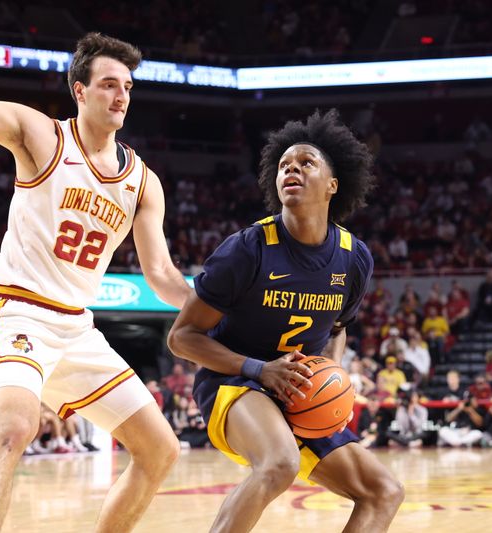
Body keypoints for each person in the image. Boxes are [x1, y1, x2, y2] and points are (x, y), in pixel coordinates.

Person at [0, 4, 191, 530]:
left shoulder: (143, 181)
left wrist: (216, 305)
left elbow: (164, 277)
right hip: (17, 312)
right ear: (79, 92)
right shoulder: (40, 135)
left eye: (126, 86)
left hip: (77, 327)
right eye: (107, 84)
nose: (120, 95)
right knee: (13, 429)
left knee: (161, 449)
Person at [167, 110, 403, 533]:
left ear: (333, 185)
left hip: (298, 391)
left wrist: (330, 370)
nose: (291, 168)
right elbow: (182, 338)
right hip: (234, 382)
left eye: (306, 162)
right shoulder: (248, 248)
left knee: (383, 490)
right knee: (279, 463)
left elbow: (337, 328)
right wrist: (259, 369)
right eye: (283, 165)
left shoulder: (354, 258)